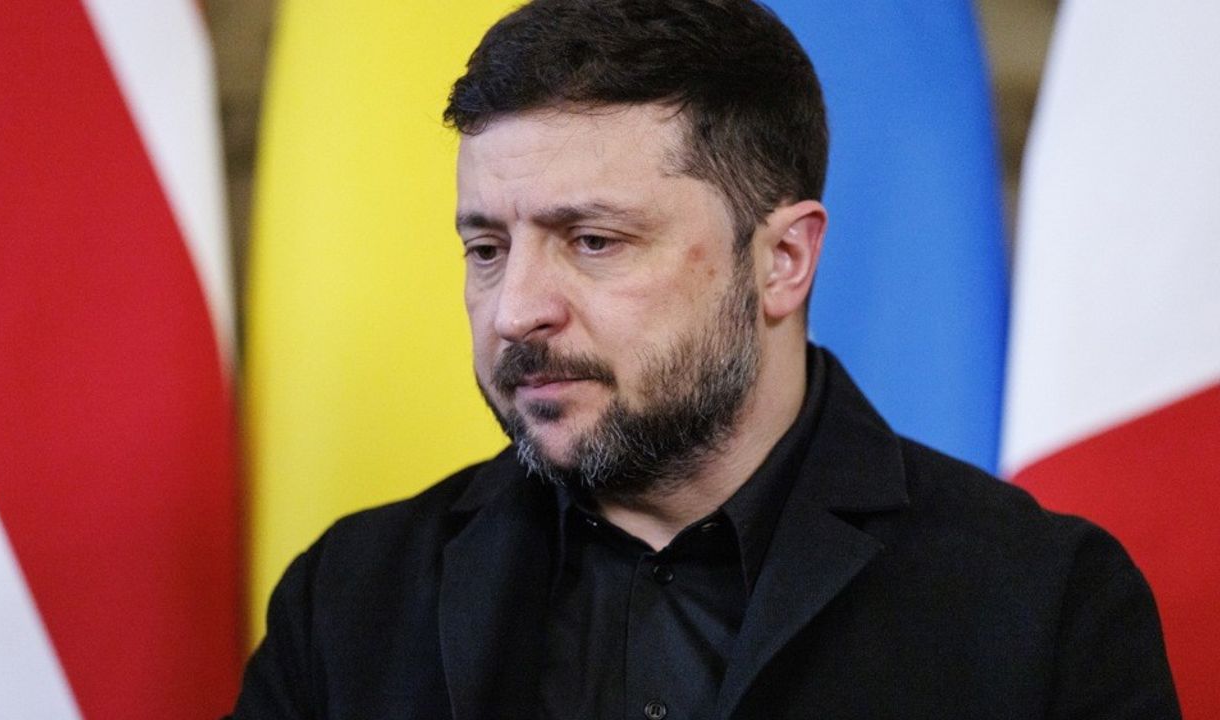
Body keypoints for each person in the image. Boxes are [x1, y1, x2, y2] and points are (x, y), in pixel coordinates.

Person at [230, 1, 1180, 717]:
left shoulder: (1043, 604)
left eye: (593, 241)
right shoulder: (348, 600)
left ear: (783, 260)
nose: (515, 310)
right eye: (487, 248)